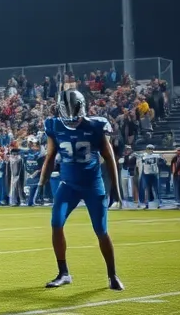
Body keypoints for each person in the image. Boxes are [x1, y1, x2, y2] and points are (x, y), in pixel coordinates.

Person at [37, 89, 123, 291]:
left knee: (101, 230)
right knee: (56, 223)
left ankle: (112, 275)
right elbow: (50, 158)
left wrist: (115, 189)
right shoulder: (55, 125)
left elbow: (110, 159)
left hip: (93, 186)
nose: (71, 120)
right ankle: (63, 273)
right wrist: (42, 183)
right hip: (68, 186)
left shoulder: (96, 125)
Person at [138, 144, 161, 209]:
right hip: (146, 174)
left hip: (154, 174)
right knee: (146, 189)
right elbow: (141, 160)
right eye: (149, 148)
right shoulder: (144, 156)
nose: (150, 150)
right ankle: (146, 204)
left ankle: (158, 203)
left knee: (156, 189)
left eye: (151, 148)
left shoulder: (156, 156)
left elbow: (162, 161)